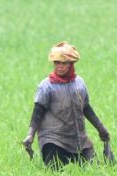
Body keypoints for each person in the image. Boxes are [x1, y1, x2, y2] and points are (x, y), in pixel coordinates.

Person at [22, 41, 111, 169]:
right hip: (53, 139)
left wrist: (101, 128)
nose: (60, 66)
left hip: (78, 138)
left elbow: (86, 108)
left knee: (95, 170)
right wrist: (30, 135)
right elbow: (37, 113)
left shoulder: (79, 83)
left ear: (71, 64)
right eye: (57, 63)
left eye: (64, 63)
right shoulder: (46, 86)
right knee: (55, 175)